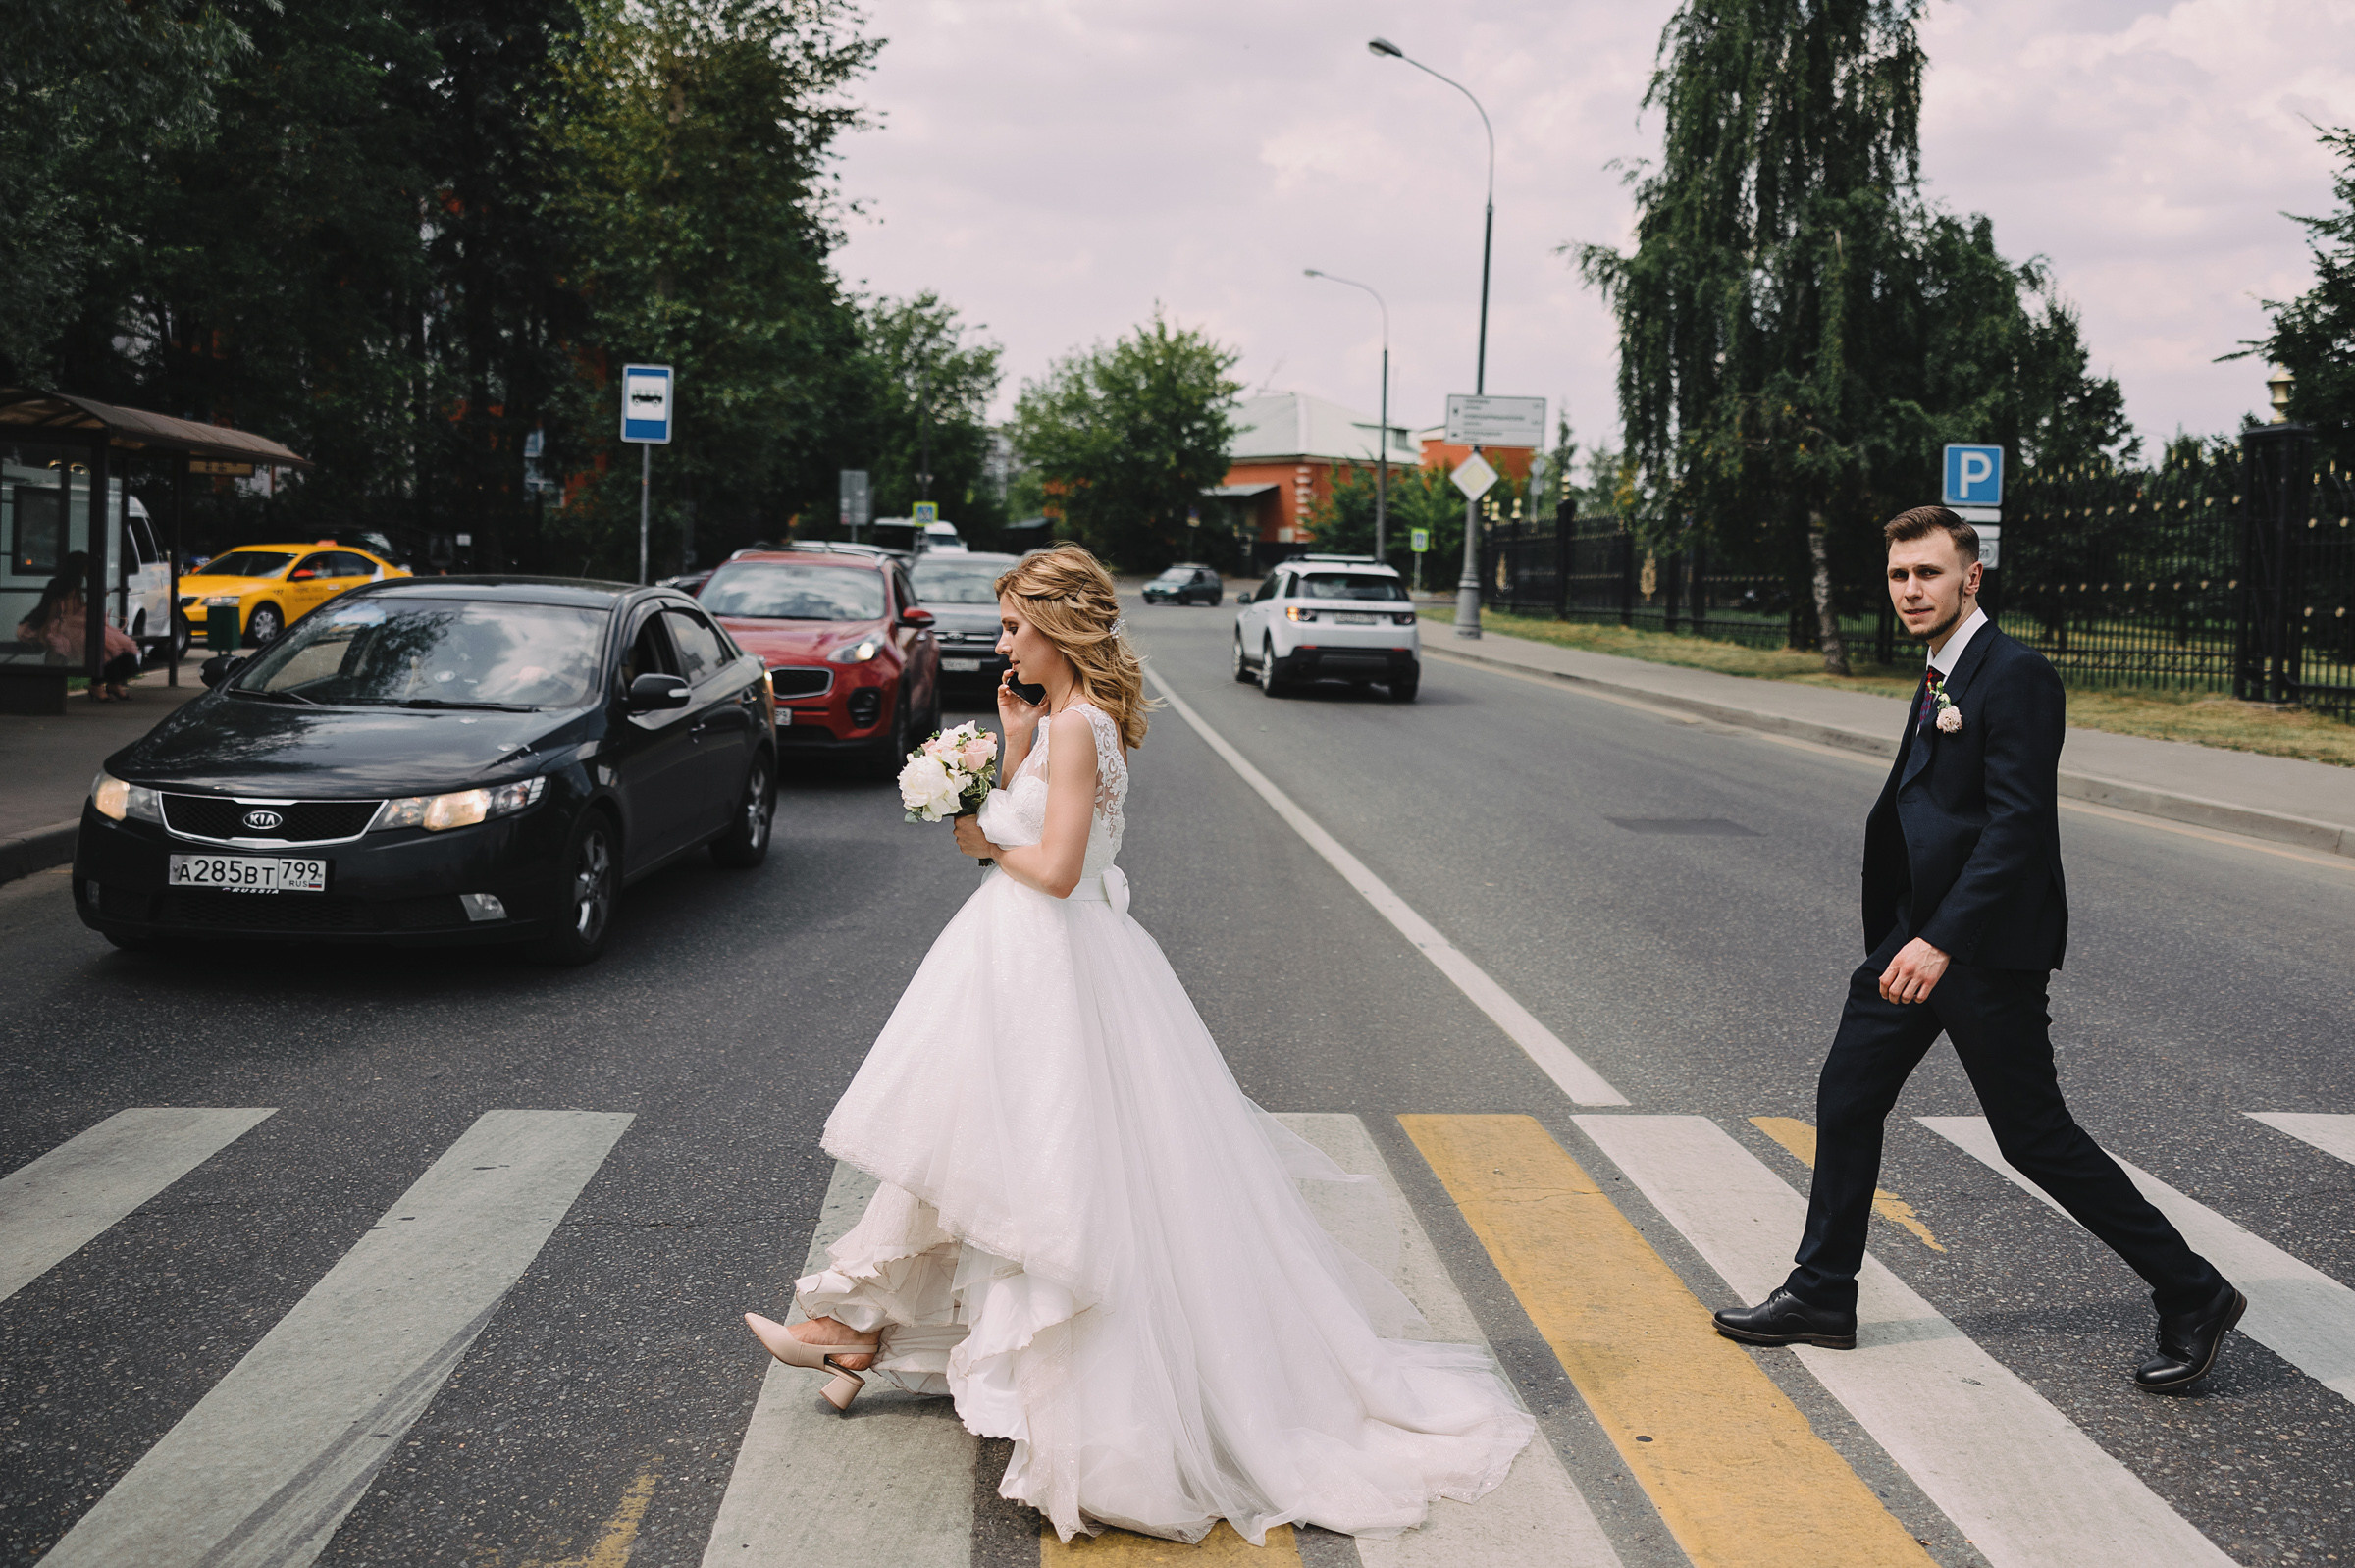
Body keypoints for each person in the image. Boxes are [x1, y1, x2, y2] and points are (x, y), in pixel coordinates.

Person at [742, 545, 1533, 1544]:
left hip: (1050, 966)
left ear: (1062, 629)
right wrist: (1008, 745)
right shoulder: (1062, 723)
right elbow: (1042, 823)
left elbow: (1061, 867)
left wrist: (982, 835)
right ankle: (851, 1328)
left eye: (1021, 624)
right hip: (1026, 963)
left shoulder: (1082, 727)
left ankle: (879, 1339)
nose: (1007, 638)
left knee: (1021, 1170)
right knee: (973, 1154)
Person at [1712, 506, 2243, 1391]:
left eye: (1928, 572)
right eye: (1897, 576)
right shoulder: (1939, 675)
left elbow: (2018, 830)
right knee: (1847, 1097)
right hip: (1911, 942)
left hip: (1979, 951)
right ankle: (1822, 1293)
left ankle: (2195, 1291)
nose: (1911, 590)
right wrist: (1903, 933)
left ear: (1972, 578)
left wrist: (1941, 942)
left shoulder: (2016, 675)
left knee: (2034, 1138)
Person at [14, 552, 139, 701]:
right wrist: (42, 629)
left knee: (114, 642)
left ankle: (113, 682)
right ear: (79, 568)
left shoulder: (75, 583)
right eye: (86, 567)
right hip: (66, 625)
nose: (89, 570)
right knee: (103, 644)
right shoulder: (65, 585)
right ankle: (98, 684)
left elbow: (75, 608)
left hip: (76, 622)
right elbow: (58, 610)